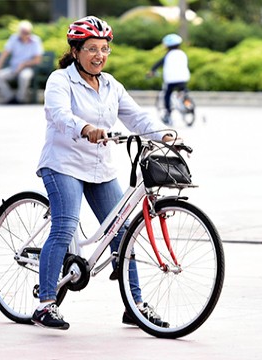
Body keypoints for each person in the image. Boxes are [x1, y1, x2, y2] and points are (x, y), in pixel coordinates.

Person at [32, 16, 175, 330]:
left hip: (100, 168)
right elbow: (57, 114)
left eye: (104, 49)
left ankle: (135, 306)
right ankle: (45, 303)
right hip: (63, 163)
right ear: (76, 50)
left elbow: (136, 118)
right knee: (65, 225)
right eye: (92, 48)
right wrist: (85, 128)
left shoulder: (111, 85)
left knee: (123, 233)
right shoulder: (60, 80)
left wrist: (164, 134)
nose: (99, 55)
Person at [0, 20, 44, 104]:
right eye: (23, 32)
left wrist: (24, 64)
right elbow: (4, 55)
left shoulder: (36, 40)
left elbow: (37, 60)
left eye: (27, 32)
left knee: (24, 76)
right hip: (13, 68)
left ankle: (20, 99)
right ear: (19, 32)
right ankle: (10, 98)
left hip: (27, 68)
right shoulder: (13, 39)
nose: (25, 34)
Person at [148, 33, 190, 125]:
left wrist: (151, 71)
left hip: (171, 79)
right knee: (183, 91)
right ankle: (187, 103)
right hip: (183, 78)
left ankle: (168, 113)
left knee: (167, 94)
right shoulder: (182, 53)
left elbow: (158, 64)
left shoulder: (168, 55)